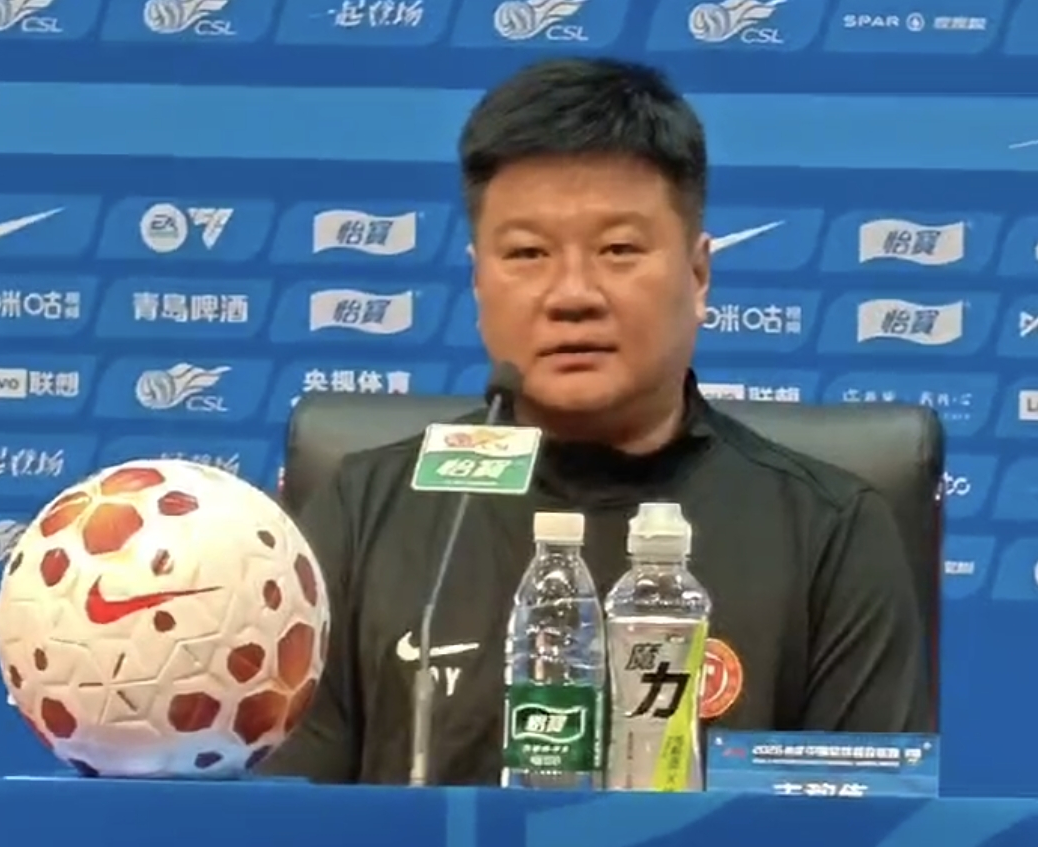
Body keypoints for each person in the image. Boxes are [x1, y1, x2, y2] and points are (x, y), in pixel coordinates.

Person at [259, 57, 929, 785]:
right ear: (478, 280)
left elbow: (868, 821)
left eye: (617, 250)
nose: (572, 294)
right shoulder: (363, 513)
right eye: (527, 253)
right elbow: (283, 814)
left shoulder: (828, 533)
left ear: (698, 275)